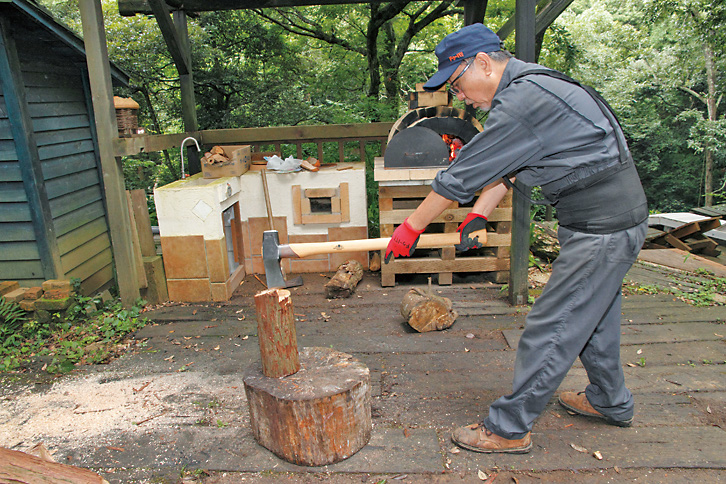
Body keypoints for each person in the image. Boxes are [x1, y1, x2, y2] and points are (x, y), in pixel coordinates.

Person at [384, 23, 648, 454]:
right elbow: (508, 166)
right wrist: (478, 215)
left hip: (603, 226)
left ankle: (508, 428)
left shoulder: (524, 100)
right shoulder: (532, 87)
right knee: (594, 317)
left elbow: (461, 175)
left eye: (457, 83)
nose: (460, 96)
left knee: (556, 324)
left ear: (484, 64)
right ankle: (610, 401)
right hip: (608, 220)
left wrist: (412, 226)